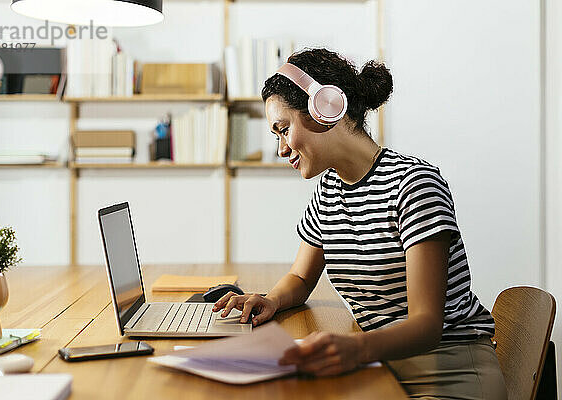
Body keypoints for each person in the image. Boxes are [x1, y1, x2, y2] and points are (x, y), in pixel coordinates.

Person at [213, 48, 507, 399]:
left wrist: (356, 350)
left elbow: (426, 326)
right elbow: (301, 277)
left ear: (325, 108)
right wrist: (271, 300)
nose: (281, 149)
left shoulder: (414, 184)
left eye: (283, 129)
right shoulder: (328, 189)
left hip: (446, 370)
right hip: (381, 363)